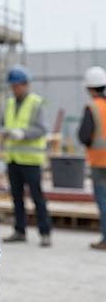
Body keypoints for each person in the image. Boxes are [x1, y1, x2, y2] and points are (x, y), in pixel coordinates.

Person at [1, 66, 51, 247]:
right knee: (16, 197)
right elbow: (4, 123)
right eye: (12, 86)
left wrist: (22, 133)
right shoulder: (9, 104)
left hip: (31, 161)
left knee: (37, 197)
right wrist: (6, 132)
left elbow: (42, 128)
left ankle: (45, 233)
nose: (14, 89)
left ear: (25, 85)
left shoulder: (36, 103)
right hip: (13, 159)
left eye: (16, 86)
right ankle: (19, 230)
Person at [77, 65, 106, 250]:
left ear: (90, 88)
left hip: (99, 162)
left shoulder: (92, 107)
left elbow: (84, 136)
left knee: (103, 200)